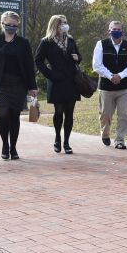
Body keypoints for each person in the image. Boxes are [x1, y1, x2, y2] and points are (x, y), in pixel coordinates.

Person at [0, 12, 37, 160]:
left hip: (18, 85)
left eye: (14, 25)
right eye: (8, 24)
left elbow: (29, 66)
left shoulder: (23, 43)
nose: (11, 27)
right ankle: (5, 144)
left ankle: (13, 147)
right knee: (3, 114)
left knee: (14, 116)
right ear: (2, 23)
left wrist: (32, 86)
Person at [34, 14, 83, 154]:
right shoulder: (46, 41)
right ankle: (57, 138)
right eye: (61, 23)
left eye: (65, 23)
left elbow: (79, 56)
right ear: (55, 25)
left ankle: (67, 142)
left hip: (71, 80)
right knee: (59, 111)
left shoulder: (71, 40)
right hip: (56, 81)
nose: (64, 25)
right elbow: (38, 60)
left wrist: (77, 58)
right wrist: (50, 74)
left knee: (69, 113)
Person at [92, 20, 127, 149]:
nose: (116, 31)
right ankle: (105, 133)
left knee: (123, 114)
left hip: (124, 88)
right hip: (106, 87)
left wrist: (120, 75)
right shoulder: (101, 44)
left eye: (119, 29)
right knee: (106, 114)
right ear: (109, 31)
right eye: (114, 29)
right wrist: (111, 76)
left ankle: (120, 139)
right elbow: (97, 65)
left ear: (122, 31)